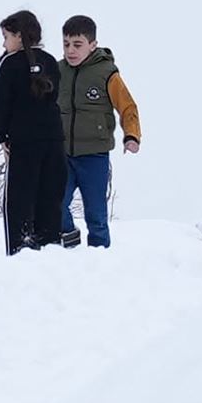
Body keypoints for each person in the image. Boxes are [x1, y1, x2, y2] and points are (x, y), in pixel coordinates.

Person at [56, 14, 142, 248]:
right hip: (62, 153)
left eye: (77, 45)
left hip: (94, 155)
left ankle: (100, 255)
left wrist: (132, 135)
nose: (70, 50)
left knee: (96, 215)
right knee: (55, 202)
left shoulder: (107, 73)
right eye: (66, 44)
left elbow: (127, 107)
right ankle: (69, 243)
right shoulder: (58, 70)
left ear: (92, 45)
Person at [0, 10, 65, 255]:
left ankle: (20, 248)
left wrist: (1, 135)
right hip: (53, 138)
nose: (4, 44)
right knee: (49, 196)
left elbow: (1, 103)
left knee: (20, 198)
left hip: (23, 140)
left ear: (19, 36)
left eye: (6, 37)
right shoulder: (51, 62)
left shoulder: (10, 64)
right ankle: (50, 245)